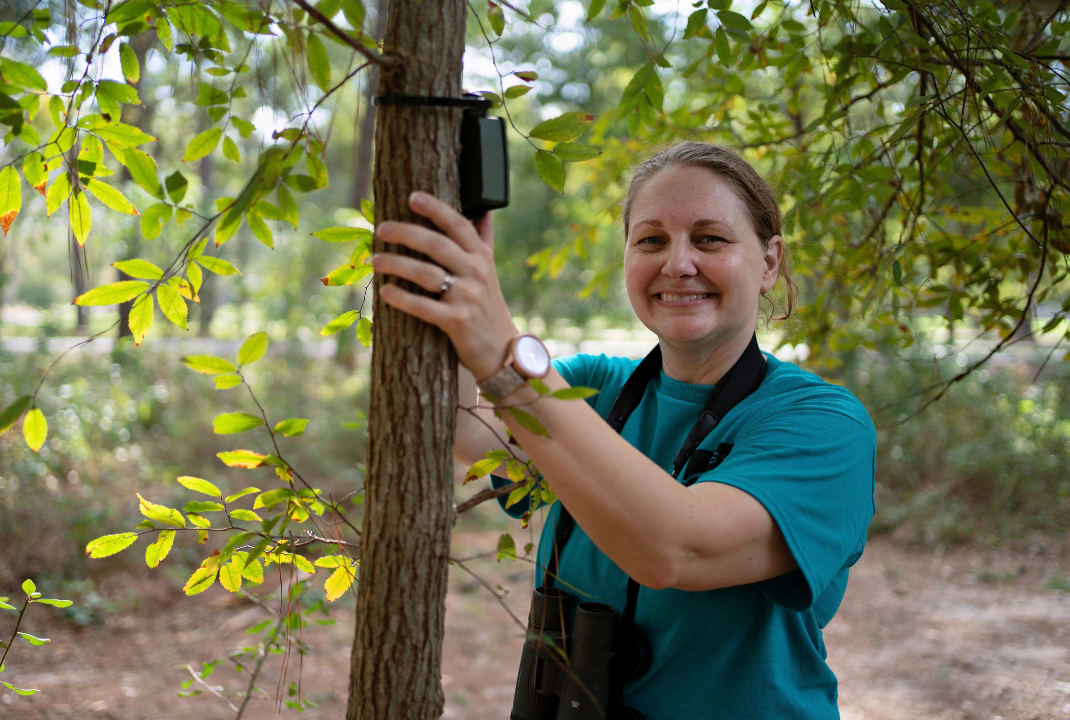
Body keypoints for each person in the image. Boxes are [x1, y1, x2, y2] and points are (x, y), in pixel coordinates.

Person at [370, 141, 876, 718]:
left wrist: (508, 359)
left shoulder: (824, 425)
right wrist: (445, 273)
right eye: (651, 240)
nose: (677, 264)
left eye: (709, 238)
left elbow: (677, 549)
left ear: (769, 262)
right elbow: (472, 432)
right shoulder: (593, 388)